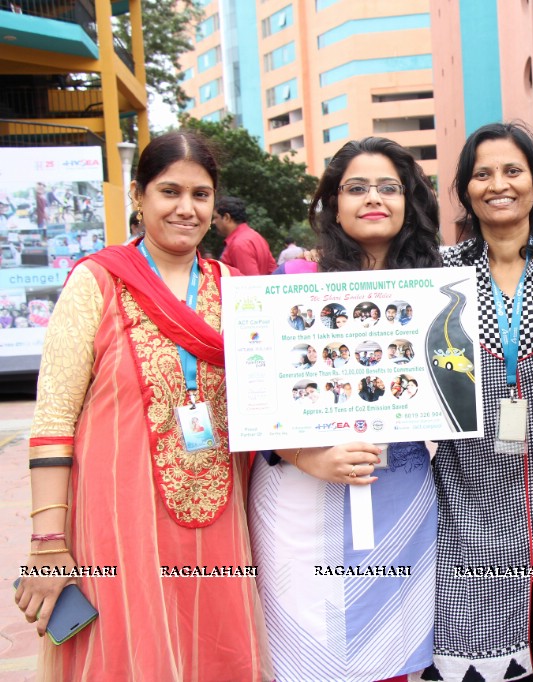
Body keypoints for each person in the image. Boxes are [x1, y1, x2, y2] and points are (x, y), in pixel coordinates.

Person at [14, 131, 271, 680]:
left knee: (212, 648)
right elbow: (54, 417)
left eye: (201, 195)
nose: (186, 208)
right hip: (116, 515)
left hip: (217, 514)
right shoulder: (96, 282)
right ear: (138, 195)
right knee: (129, 651)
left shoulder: (235, 288)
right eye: (169, 192)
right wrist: (47, 542)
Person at [248, 136, 442, 682]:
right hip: (302, 498)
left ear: (409, 202)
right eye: (356, 188)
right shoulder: (293, 283)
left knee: (392, 657)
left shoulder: (437, 289)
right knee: (310, 658)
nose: (372, 198)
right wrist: (306, 456)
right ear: (334, 202)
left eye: (388, 187)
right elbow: (255, 395)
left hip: (398, 497)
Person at [420, 122, 533, 682]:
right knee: (478, 651)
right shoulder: (437, 272)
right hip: (469, 485)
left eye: (512, 171)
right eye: (482, 174)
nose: (498, 184)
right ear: (465, 188)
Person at [213, 196, 276, 275]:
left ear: (226, 217)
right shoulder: (256, 236)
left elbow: (248, 284)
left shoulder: (239, 244)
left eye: (215, 217)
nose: (213, 222)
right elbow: (273, 271)